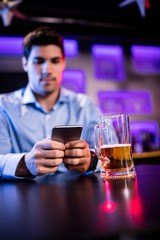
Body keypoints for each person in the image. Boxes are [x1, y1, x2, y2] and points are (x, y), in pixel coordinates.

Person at [0, 26, 101, 180]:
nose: (47, 70)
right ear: (25, 63)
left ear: (63, 63)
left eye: (55, 61)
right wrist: (25, 163)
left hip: (77, 200)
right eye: (39, 61)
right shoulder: (3, 107)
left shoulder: (85, 105)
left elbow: (115, 159)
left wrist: (92, 161)